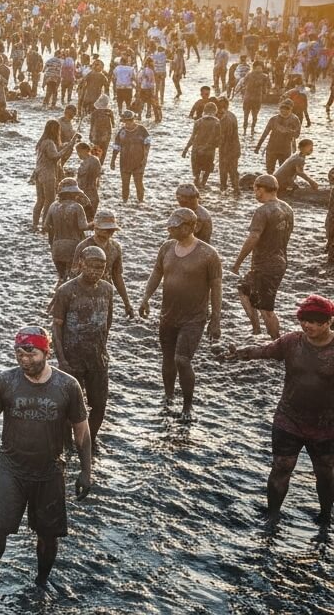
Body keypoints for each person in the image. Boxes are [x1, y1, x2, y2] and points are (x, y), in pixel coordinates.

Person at [0, 327, 93, 594]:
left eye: (31, 353)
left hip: (50, 469)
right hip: (10, 468)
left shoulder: (67, 386)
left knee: (47, 535)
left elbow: (82, 432)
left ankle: (41, 581)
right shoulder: (5, 381)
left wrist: (86, 471)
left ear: (46, 352)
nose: (24, 359)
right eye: (19, 353)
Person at [222, 294, 334, 533]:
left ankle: (325, 518)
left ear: (328, 322)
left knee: (325, 473)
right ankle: (272, 516)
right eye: (304, 320)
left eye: (315, 322)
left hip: (326, 425)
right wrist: (240, 353)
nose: (308, 326)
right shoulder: (292, 342)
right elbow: (265, 351)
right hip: (288, 419)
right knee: (281, 467)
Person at [140, 208, 223, 421]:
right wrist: (146, 297)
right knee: (168, 359)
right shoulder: (166, 247)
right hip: (168, 314)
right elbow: (157, 272)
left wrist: (216, 320)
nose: (172, 230)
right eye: (171, 227)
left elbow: (216, 288)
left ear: (191, 227)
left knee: (182, 360)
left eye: (177, 227)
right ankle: (168, 398)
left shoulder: (208, 254)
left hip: (194, 317)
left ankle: (187, 406)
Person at [50, 246, 117, 441]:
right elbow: (56, 328)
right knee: (69, 406)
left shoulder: (107, 289)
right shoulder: (66, 291)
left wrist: (102, 349)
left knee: (99, 404)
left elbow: (108, 321)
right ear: (81, 264)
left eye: (101, 268)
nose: (95, 272)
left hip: (97, 357)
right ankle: (67, 444)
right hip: (72, 358)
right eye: (91, 266)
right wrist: (61, 359)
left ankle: (89, 442)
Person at [232, 174, 295, 339]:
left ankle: (276, 341)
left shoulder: (262, 211)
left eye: (255, 189)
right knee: (244, 289)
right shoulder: (287, 208)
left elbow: (253, 238)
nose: (255, 193)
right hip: (280, 260)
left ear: (260, 189)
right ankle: (256, 329)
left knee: (266, 309)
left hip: (266, 264)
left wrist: (238, 262)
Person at [110, 111, 150, 203]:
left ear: (133, 120)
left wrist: (145, 157)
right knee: (125, 183)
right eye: (125, 121)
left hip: (139, 162)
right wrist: (113, 160)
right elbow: (116, 147)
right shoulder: (122, 132)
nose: (127, 123)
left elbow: (148, 143)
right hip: (125, 162)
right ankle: (125, 201)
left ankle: (141, 201)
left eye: (129, 121)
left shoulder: (142, 130)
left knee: (138, 183)